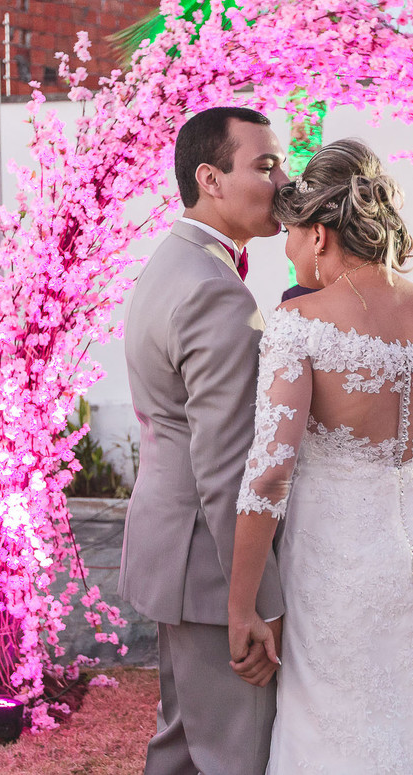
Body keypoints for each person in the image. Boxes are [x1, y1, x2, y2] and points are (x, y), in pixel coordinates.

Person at [228, 139, 413, 773]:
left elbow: (269, 476)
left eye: (291, 235)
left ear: (320, 235)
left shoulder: (301, 323)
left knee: (338, 731)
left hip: (337, 560)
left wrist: (242, 607)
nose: (288, 250)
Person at [118, 107, 290, 775]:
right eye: (265, 166)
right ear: (210, 179)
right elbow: (225, 466)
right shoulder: (215, 292)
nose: (282, 181)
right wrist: (254, 601)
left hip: (173, 545)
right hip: (210, 566)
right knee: (232, 757)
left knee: (183, 747)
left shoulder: (172, 262)